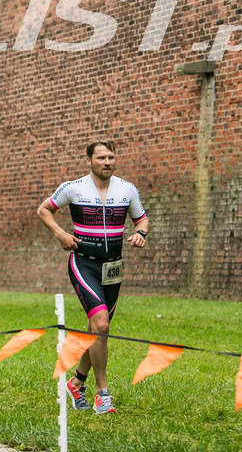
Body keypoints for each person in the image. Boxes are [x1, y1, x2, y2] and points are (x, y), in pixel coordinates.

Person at [37, 140, 149, 414]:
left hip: (112, 268)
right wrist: (61, 234)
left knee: (97, 328)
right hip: (83, 262)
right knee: (101, 324)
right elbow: (44, 210)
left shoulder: (127, 189)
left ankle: (76, 382)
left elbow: (141, 219)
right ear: (89, 161)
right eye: (101, 158)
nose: (107, 162)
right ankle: (103, 394)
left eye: (111, 157)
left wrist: (140, 234)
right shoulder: (73, 187)